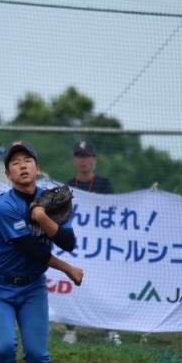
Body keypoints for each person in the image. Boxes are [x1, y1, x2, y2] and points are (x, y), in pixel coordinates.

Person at [0, 140, 83, 363]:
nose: (22, 165)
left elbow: (69, 242)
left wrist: (41, 216)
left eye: (27, 160)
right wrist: (67, 268)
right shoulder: (6, 206)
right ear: (8, 174)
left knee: (37, 355)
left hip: (32, 288)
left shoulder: (51, 200)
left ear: (37, 168)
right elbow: (31, 249)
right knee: (3, 350)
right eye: (15, 163)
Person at [64, 140, 121, 346]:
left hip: (99, 246)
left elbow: (110, 211)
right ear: (74, 161)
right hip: (76, 245)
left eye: (87, 157)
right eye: (79, 156)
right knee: (72, 284)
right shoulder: (69, 185)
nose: (83, 161)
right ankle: (70, 330)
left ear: (94, 160)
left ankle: (110, 329)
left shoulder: (105, 185)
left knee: (105, 286)